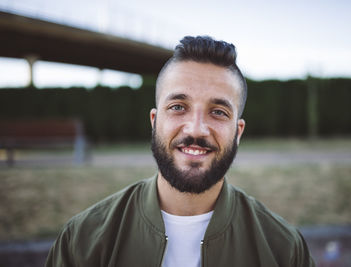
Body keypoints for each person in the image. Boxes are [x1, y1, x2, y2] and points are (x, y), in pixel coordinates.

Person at [46, 36, 315, 267]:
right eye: (178, 107)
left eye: (218, 112)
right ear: (154, 122)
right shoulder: (82, 241)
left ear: (238, 132)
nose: (196, 129)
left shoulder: (283, 250)